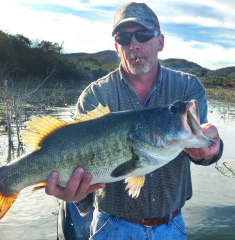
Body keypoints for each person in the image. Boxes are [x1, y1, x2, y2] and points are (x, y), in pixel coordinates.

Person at [47, 2, 224, 239]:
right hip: (111, 226)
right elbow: (78, 167)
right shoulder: (96, 95)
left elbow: (203, 143)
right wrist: (76, 196)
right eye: (124, 37)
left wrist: (212, 149)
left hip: (171, 226)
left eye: (143, 34)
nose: (134, 44)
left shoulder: (188, 87)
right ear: (116, 47)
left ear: (160, 41)